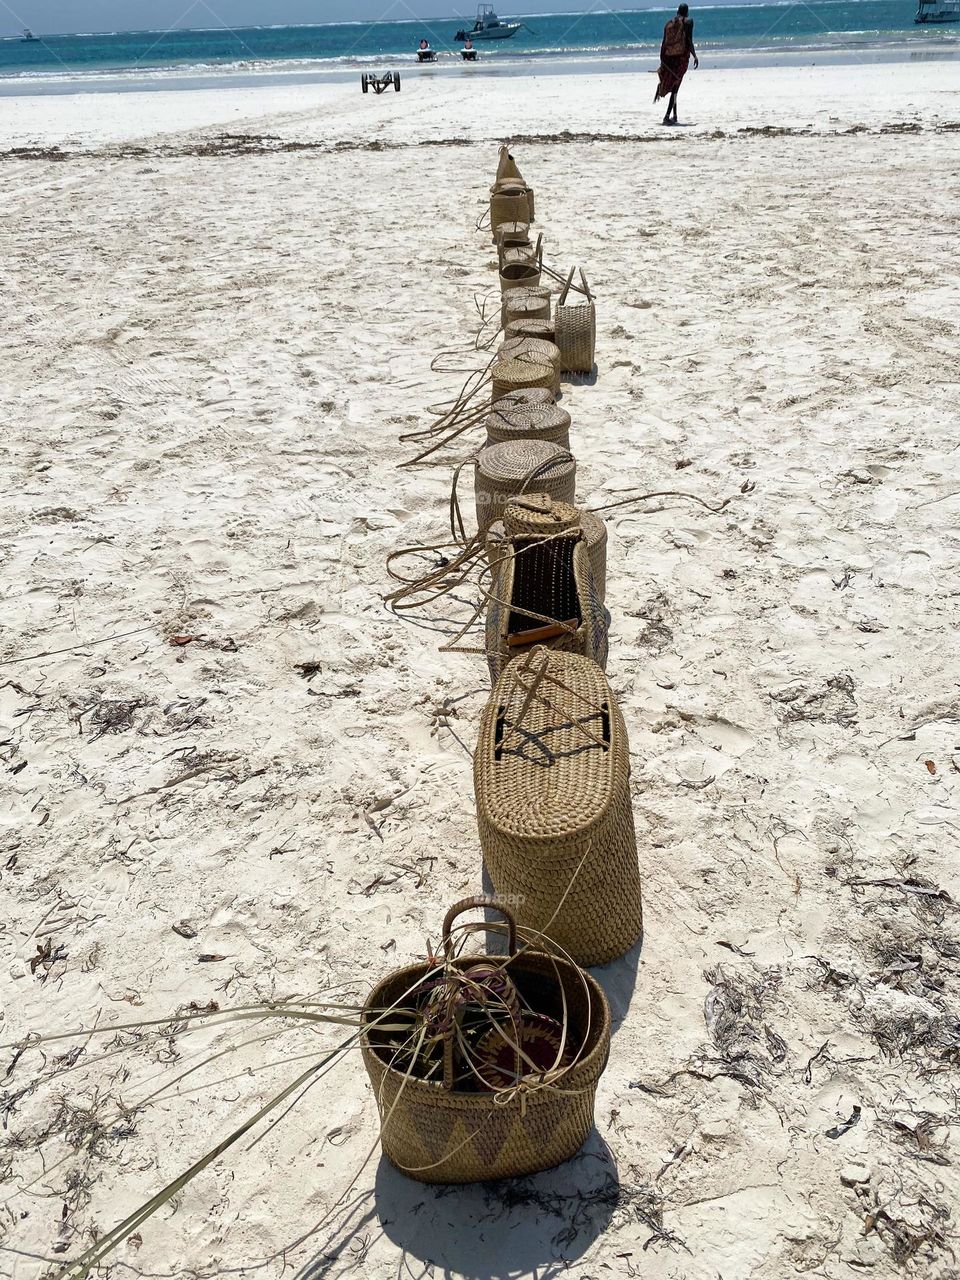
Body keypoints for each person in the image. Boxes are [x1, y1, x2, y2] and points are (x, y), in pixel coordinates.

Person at [655, 3, 698, 126]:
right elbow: (689, 40)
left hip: (669, 59)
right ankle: (667, 116)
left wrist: (662, 60)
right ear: (687, 12)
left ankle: (674, 116)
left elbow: (664, 43)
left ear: (677, 11)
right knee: (675, 88)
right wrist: (694, 55)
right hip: (681, 59)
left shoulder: (669, 23)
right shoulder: (688, 22)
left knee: (675, 86)